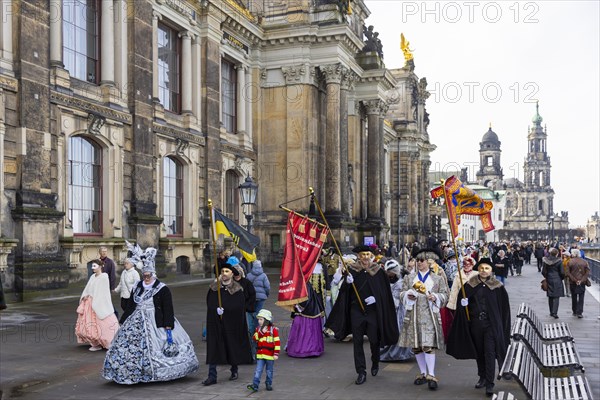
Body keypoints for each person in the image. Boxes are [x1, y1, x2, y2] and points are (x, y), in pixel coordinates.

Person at [102, 246, 199, 384]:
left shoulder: (162, 289)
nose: (146, 278)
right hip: (136, 320)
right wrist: (122, 320)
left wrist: (168, 325)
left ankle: (160, 370)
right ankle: (131, 372)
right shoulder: (138, 286)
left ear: (153, 274)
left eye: (149, 275)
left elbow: (168, 308)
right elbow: (130, 306)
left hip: (156, 322)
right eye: (145, 275)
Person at [325, 245, 399, 385]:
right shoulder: (352, 270)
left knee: (374, 340)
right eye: (362, 255)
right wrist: (347, 283)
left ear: (371, 256)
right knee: (357, 341)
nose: (365, 257)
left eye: (367, 254)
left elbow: (385, 293)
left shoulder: (378, 272)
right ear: (358, 256)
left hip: (372, 312)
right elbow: (344, 294)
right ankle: (361, 371)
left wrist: (376, 298)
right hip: (356, 311)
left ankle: (375, 361)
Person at [446, 258, 511, 397]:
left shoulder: (497, 286)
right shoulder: (470, 285)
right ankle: (481, 377)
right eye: (481, 268)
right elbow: (462, 299)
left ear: (491, 270)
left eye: (487, 268)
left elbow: (504, 308)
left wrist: (502, 325)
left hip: (491, 325)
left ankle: (489, 383)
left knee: (489, 352)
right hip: (475, 324)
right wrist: (463, 304)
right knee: (479, 352)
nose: (483, 271)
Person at [399, 249, 448, 391]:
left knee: (428, 346)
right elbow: (401, 293)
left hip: (429, 316)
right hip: (413, 315)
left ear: (428, 262)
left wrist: (436, 297)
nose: (419, 263)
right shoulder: (409, 278)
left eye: (422, 260)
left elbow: (446, 294)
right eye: (417, 260)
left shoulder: (437, 278)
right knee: (416, 346)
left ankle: (431, 375)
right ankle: (422, 373)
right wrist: (408, 295)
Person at [203, 262, 253, 385]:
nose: (224, 274)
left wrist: (227, 311)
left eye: (227, 271)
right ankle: (212, 376)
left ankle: (234, 369)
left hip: (231, 324)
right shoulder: (215, 288)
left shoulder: (237, 289)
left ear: (232, 274)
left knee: (231, 346)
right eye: (222, 271)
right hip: (216, 324)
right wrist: (216, 310)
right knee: (214, 347)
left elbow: (239, 306)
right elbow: (209, 303)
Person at [75, 260, 119, 351]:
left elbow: (103, 291)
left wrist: (96, 300)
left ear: (100, 266)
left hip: (99, 302)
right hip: (89, 302)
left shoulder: (104, 277)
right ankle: (95, 343)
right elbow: (88, 288)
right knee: (90, 323)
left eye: (94, 266)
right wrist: (85, 296)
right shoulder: (92, 277)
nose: (93, 268)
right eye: (92, 266)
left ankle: (109, 341)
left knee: (105, 322)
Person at [379, 259, 413, 362]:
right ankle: (391, 353)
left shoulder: (401, 283)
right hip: (391, 309)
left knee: (398, 331)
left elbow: (398, 299)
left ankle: (398, 354)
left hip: (399, 311)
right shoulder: (388, 279)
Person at [286, 282, 325, 358]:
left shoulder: (304, 284)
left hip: (307, 312)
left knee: (306, 330)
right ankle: (307, 348)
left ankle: (306, 349)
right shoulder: (303, 283)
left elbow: (304, 300)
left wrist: (297, 305)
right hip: (309, 311)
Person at [247, 309, 280, 392]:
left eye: (261, 319)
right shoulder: (258, 329)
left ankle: (268, 383)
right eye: (258, 319)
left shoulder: (273, 330)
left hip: (270, 356)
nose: (259, 321)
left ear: (267, 320)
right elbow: (254, 338)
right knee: (258, 370)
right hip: (260, 355)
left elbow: (277, 342)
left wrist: (276, 353)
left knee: (269, 371)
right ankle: (255, 385)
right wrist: (261, 332)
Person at [246, 259, 270, 356]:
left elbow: (246, 288)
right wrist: (265, 295)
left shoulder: (248, 275)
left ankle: (252, 333)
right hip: (261, 298)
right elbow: (267, 287)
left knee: (251, 315)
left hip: (251, 299)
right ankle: (258, 332)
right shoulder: (263, 275)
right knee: (259, 316)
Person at [566, 249, 590, 318]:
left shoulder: (570, 262)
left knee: (574, 296)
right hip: (582, 283)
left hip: (572, 282)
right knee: (581, 297)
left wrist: (575, 280)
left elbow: (568, 273)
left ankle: (574, 311)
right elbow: (587, 273)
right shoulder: (585, 262)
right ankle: (580, 312)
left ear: (573, 254)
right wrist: (581, 280)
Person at [542, 248, 565, 318]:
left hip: (549, 278)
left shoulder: (546, 260)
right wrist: (561, 278)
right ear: (556, 254)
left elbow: (543, 271)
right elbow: (562, 272)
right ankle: (555, 312)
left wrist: (546, 276)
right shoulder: (559, 261)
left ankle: (551, 311)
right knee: (556, 296)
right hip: (557, 279)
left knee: (550, 295)